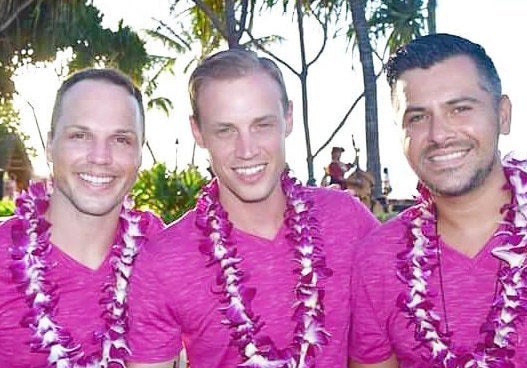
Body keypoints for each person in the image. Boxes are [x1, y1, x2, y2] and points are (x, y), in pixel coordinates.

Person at [127, 48, 379, 367]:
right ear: (198, 132)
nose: (246, 150)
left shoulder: (346, 219)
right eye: (225, 130)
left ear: (288, 118)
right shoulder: (163, 260)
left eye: (261, 125)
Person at [349, 33, 527, 367]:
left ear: (502, 114)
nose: (439, 134)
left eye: (460, 109)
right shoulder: (378, 261)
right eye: (417, 117)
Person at [0, 68, 164, 367]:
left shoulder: (163, 251)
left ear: (140, 153)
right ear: (50, 145)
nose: (100, 157)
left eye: (121, 139)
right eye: (80, 135)